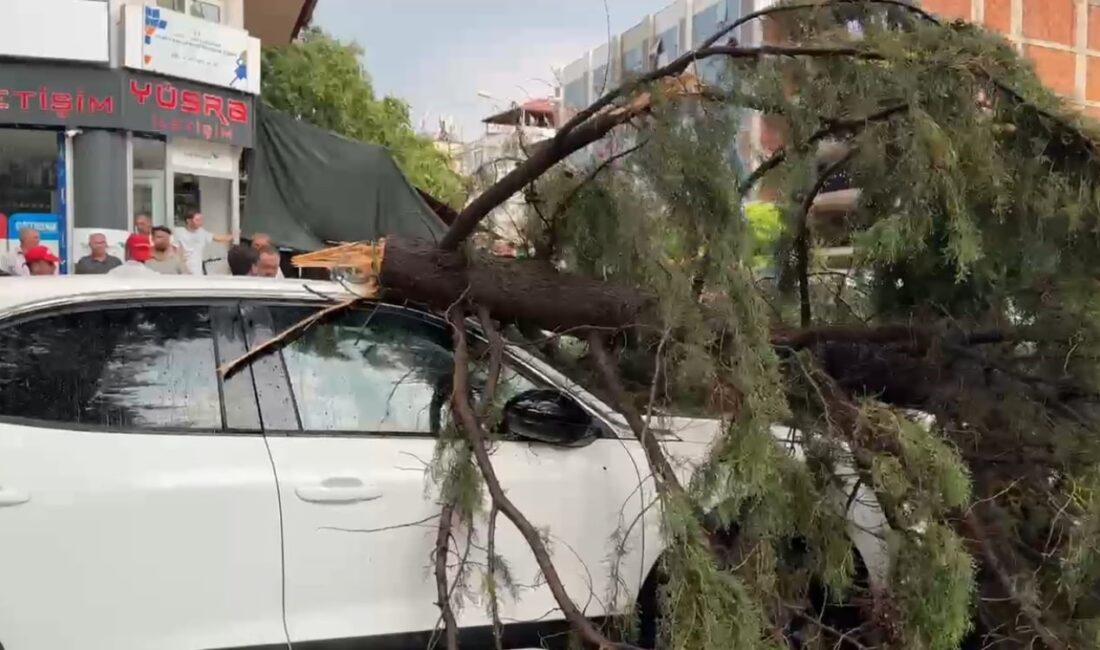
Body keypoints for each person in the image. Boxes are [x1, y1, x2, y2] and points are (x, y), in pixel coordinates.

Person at [172, 211, 234, 276]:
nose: (200, 222)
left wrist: (232, 236)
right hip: (181, 269)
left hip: (197, 270)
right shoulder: (178, 232)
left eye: (201, 220)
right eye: (197, 220)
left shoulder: (202, 232)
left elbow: (217, 238)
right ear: (188, 221)